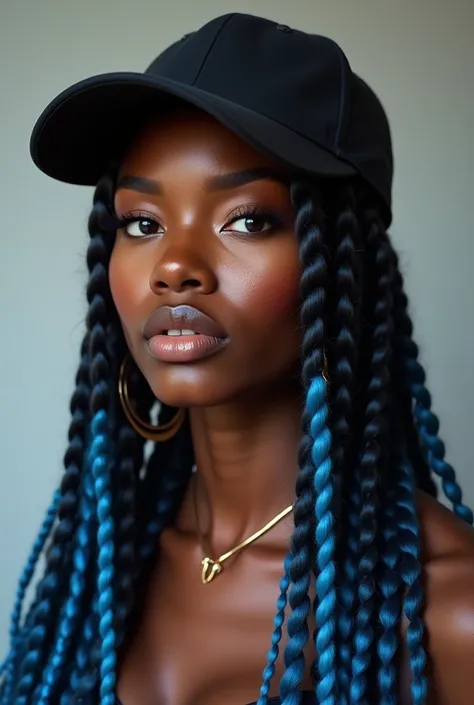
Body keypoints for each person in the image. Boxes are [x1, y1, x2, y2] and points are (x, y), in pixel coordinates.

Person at [1, 11, 473, 705]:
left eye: (248, 220)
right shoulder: (99, 572)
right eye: (143, 222)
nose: (175, 267)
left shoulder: (448, 612)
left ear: (347, 267)